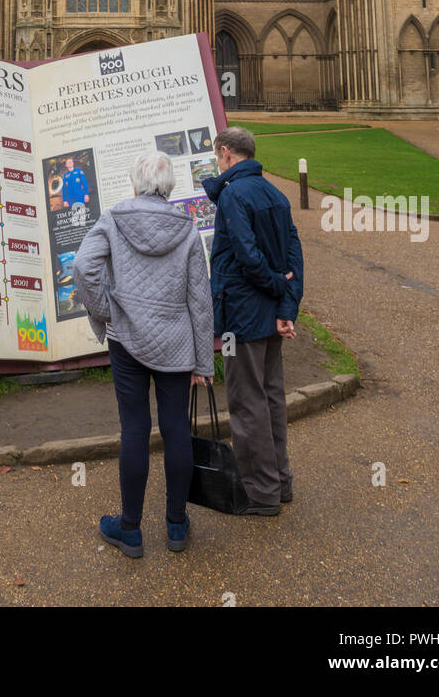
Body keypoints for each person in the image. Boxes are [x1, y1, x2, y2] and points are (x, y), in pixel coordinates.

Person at [73, 151, 215, 558]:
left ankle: (131, 530)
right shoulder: (186, 229)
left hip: (126, 340)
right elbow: (199, 300)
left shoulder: (114, 217)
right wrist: (204, 363)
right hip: (176, 343)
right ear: (168, 186)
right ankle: (175, 526)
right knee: (176, 430)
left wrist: (104, 310)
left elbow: (83, 267)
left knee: (134, 428)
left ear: (135, 182)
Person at [202, 127, 304, 516]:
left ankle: (261, 492)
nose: (217, 162)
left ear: (226, 153)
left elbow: (246, 254)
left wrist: (276, 286)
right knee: (271, 395)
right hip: (268, 315)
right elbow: (295, 254)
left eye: (217, 156)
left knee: (246, 402)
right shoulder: (275, 193)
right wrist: (285, 305)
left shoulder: (232, 194)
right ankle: (280, 481)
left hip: (238, 317)